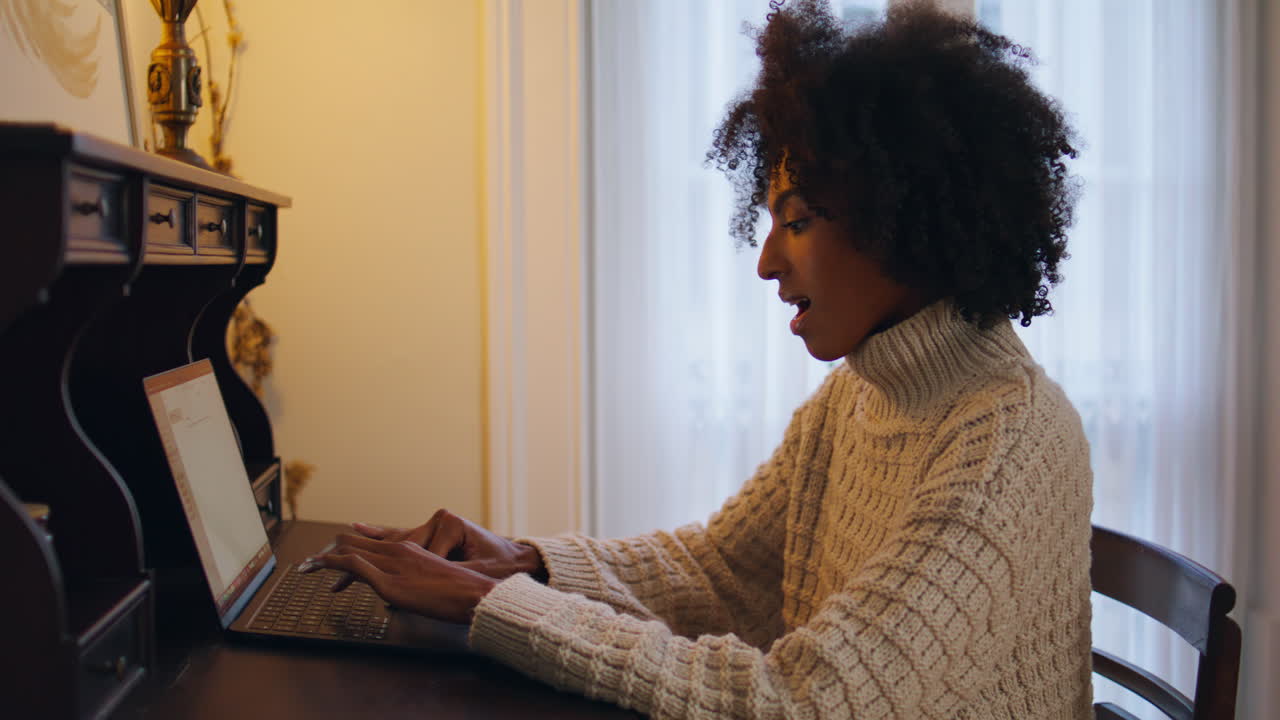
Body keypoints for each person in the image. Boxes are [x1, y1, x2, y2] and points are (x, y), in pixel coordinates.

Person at [306, 1, 1093, 717]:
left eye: (799, 220)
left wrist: (494, 604)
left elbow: (804, 703)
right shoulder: (853, 400)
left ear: (907, 216)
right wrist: (526, 563)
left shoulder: (1010, 442)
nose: (766, 263)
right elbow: (719, 573)